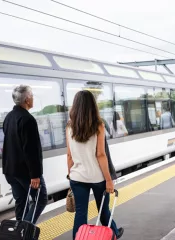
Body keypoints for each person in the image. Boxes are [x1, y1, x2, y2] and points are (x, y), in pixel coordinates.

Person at [66, 90, 124, 240]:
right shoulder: (98, 125)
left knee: (80, 214)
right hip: (97, 177)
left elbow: (69, 155)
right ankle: (114, 235)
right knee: (103, 211)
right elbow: (100, 154)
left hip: (77, 177)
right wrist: (109, 179)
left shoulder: (69, 126)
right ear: (92, 105)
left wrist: (70, 175)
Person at [2, 85, 47, 224]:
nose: (33, 98)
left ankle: (19, 234)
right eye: (32, 95)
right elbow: (31, 150)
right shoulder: (27, 119)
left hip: (10, 170)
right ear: (27, 100)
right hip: (26, 172)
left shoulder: (8, 117)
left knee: (21, 202)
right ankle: (24, 232)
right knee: (41, 199)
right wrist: (35, 175)